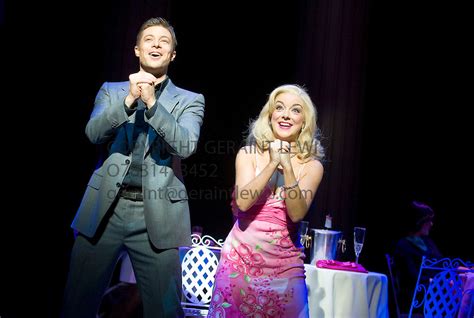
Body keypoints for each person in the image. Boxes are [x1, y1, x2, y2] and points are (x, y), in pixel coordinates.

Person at [61, 17, 205, 318]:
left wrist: (153, 105)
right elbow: (94, 133)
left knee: (165, 310)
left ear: (172, 55)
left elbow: (186, 146)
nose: (156, 44)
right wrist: (128, 101)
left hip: (158, 213)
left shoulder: (191, 100)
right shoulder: (111, 91)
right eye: (149, 39)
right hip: (104, 210)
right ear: (137, 50)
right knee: (77, 304)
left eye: (164, 41)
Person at [207, 84, 324, 317]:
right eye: (279, 108)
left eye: (295, 110)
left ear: (304, 122)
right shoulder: (247, 155)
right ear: (270, 116)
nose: (286, 115)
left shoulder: (313, 166)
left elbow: (297, 213)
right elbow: (243, 203)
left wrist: (287, 166)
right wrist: (272, 163)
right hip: (238, 264)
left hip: (285, 269)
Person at [393, 200, 443, 313]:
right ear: (419, 222)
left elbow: (441, 265)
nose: (431, 224)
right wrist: (436, 282)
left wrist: (459, 270)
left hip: (433, 293)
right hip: (416, 298)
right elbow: (411, 277)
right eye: (428, 220)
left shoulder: (428, 242)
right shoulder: (404, 245)